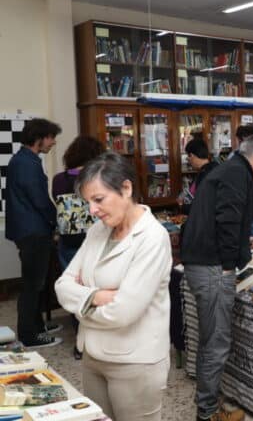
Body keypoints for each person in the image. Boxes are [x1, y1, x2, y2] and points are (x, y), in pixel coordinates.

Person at [54, 152, 172, 420]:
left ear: (126, 188)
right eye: (88, 202)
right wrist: (96, 296)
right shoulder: (98, 230)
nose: (92, 211)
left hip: (134, 362)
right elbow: (62, 285)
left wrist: (80, 303)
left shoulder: (152, 238)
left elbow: (123, 312)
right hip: (93, 354)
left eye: (98, 200)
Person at [182, 135, 253, 421]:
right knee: (217, 343)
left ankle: (207, 405)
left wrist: (243, 244)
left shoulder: (227, 169)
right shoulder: (237, 173)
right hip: (212, 268)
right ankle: (207, 413)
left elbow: (221, 219)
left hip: (202, 263)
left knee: (209, 340)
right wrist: (227, 265)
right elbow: (227, 220)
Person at [4, 117, 62, 348]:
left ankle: (37, 326)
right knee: (32, 285)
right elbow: (39, 200)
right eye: (51, 138)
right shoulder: (28, 163)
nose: (53, 143)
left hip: (27, 231)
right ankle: (29, 336)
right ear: (39, 138)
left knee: (36, 283)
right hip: (34, 232)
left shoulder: (23, 160)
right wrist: (57, 220)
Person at [52, 135, 105, 359]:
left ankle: (80, 342)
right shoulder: (98, 177)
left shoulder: (58, 180)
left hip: (68, 240)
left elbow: (56, 201)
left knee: (75, 290)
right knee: (96, 289)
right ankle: (98, 340)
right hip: (96, 240)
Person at [181, 139, 218, 215]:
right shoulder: (211, 169)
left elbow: (201, 205)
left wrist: (183, 206)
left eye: (188, 156)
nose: (188, 160)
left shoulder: (206, 174)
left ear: (192, 155)